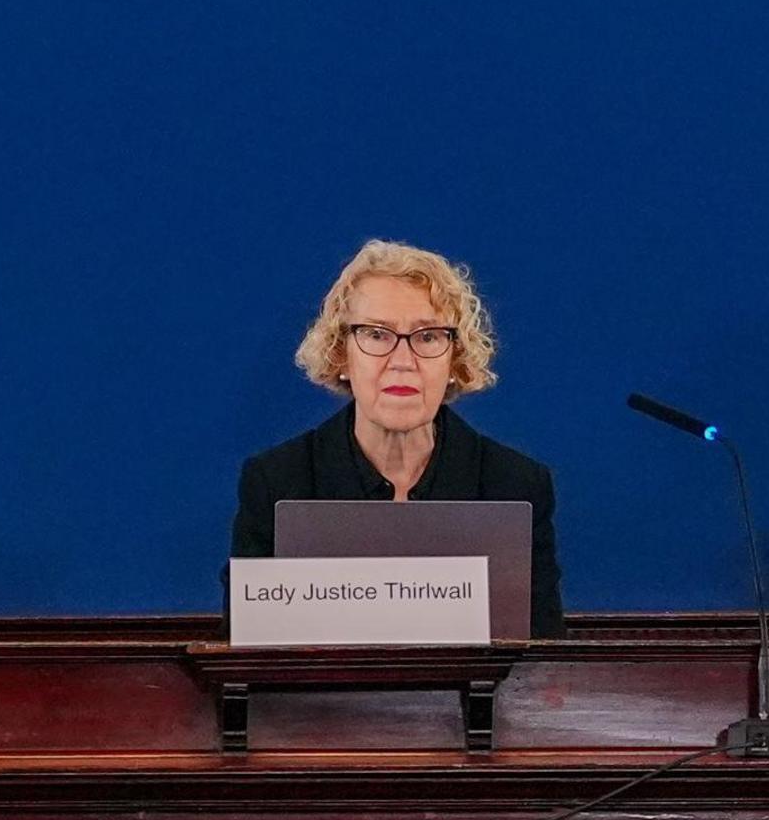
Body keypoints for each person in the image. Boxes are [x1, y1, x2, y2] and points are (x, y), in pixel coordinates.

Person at [232, 239, 566, 638]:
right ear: (342, 355)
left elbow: (543, 665)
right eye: (376, 334)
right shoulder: (277, 482)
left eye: (427, 337)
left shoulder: (515, 486)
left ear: (455, 359)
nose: (403, 361)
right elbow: (243, 657)